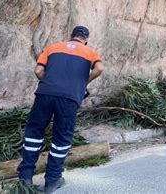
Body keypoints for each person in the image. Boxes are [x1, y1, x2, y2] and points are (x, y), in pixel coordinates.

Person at [17, 26, 104, 192]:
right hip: (69, 98)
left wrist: (49, 82)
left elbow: (38, 70)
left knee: (34, 134)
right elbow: (99, 68)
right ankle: (52, 180)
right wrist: (84, 82)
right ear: (86, 39)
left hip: (45, 94)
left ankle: (25, 178)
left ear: (71, 36)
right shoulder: (90, 52)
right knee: (61, 138)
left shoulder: (53, 48)